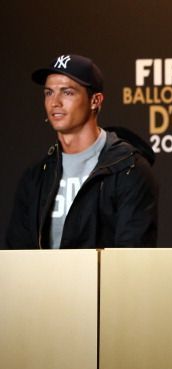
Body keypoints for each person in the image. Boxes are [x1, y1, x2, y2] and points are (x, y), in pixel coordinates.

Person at [4, 54, 158, 249]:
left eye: (67, 92)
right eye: (49, 92)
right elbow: (18, 256)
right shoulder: (36, 176)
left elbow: (132, 258)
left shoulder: (129, 169)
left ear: (95, 100)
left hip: (103, 280)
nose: (55, 102)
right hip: (44, 281)